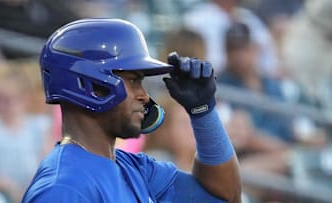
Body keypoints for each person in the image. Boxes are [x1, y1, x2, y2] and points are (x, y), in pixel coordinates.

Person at [22, 18, 241, 203]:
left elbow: (224, 196)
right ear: (92, 87)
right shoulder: (63, 189)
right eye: (134, 81)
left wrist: (203, 111)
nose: (144, 95)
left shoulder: (135, 168)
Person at [0, 62, 52, 203]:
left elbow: (46, 161)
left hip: (32, 188)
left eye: (9, 100)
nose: (2, 105)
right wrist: (9, 187)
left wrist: (31, 187)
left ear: (24, 98)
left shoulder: (40, 125)